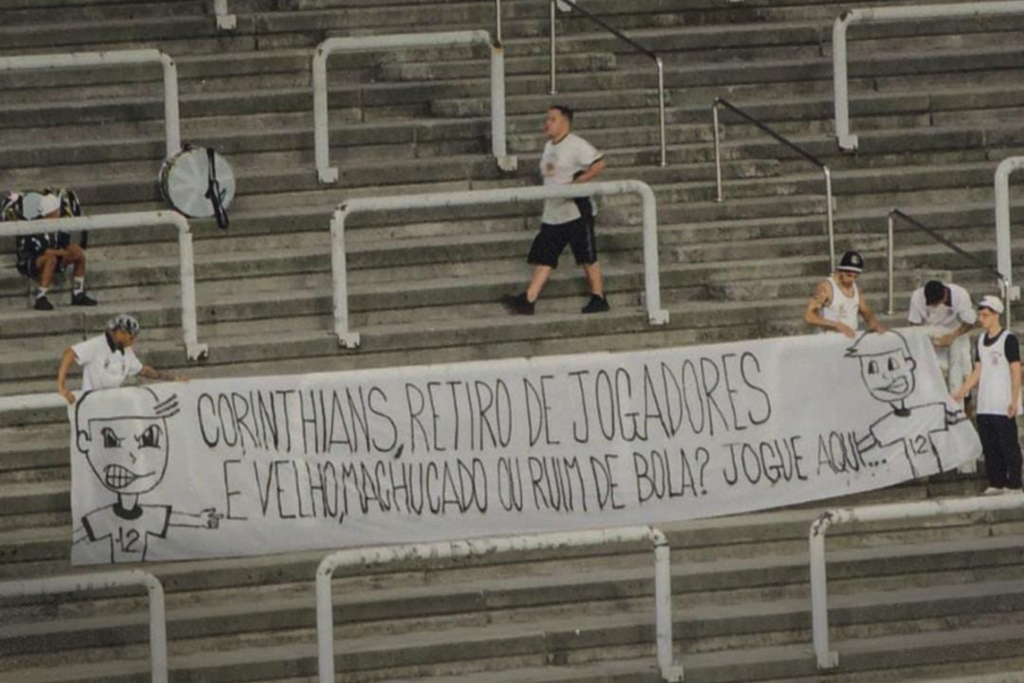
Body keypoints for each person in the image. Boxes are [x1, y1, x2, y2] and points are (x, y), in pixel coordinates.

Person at [503, 105, 608, 316]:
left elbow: (599, 163)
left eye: (552, 119)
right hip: (553, 210)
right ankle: (529, 298)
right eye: (547, 119)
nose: (547, 123)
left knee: (587, 255)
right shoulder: (549, 146)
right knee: (546, 255)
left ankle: (599, 297)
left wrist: (578, 182)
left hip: (575, 210)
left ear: (565, 122)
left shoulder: (576, 144)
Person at [951, 296, 1023, 494]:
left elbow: (1016, 370)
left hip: (1003, 400)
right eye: (980, 314)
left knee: (1008, 444)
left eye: (986, 315)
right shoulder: (981, 341)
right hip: (985, 401)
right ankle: (996, 481)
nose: (982, 318)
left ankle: (1014, 482)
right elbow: (978, 370)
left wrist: (1014, 399)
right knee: (990, 444)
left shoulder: (1008, 339)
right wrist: (962, 391)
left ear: (996, 316)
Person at [56, 314, 186, 405]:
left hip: (112, 403)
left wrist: (173, 378)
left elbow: (144, 371)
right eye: (131, 337)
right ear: (120, 332)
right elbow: (70, 353)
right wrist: (61, 386)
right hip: (91, 403)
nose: (134, 341)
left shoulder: (127, 352)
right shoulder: (97, 344)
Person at [6, 191, 98, 311]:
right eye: (57, 210)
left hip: (53, 255)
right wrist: (64, 253)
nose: (59, 211)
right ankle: (41, 297)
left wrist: (71, 251)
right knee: (51, 259)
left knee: (78, 253)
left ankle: (78, 293)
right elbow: (44, 251)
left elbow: (64, 244)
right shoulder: (36, 226)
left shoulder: (59, 225)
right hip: (29, 260)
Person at [907, 279, 976, 393]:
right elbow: (914, 325)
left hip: (957, 332)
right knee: (934, 371)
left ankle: (962, 401)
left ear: (944, 296)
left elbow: (971, 322)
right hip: (930, 333)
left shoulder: (960, 295)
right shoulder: (917, 297)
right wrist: (926, 342)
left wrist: (952, 337)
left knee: (962, 370)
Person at [804, 250, 885, 337]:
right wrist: (837, 325)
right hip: (828, 339)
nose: (852, 280)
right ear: (840, 271)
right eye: (849, 275)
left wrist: (873, 323)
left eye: (856, 276)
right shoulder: (826, 288)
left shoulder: (855, 288)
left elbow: (864, 309)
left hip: (849, 339)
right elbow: (809, 317)